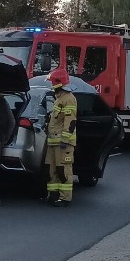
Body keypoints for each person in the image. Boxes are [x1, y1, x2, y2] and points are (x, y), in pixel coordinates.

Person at [43, 68, 78, 207]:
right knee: (51, 170)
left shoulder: (68, 99)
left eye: (52, 82)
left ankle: (65, 198)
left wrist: (65, 139)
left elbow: (70, 121)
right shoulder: (58, 99)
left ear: (59, 83)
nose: (51, 85)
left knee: (63, 170)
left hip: (63, 143)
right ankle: (53, 195)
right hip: (53, 142)